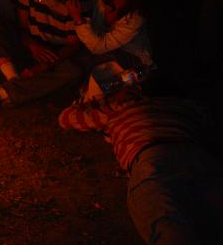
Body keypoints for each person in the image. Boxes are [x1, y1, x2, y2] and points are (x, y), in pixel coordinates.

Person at [58, 75, 223, 243]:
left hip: (151, 161)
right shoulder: (184, 105)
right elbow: (210, 126)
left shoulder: (119, 107)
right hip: (197, 156)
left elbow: (66, 119)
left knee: (170, 229)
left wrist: (102, 103)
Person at [66, 0, 154, 75]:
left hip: (131, 60)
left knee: (80, 63)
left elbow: (99, 47)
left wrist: (78, 20)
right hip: (104, 53)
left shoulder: (135, 18)